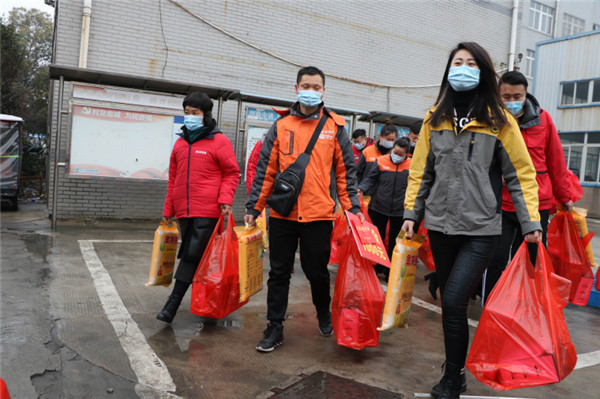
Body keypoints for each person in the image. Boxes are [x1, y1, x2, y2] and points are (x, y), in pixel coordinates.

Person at [401, 42, 542, 399]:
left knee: (452, 302)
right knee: (453, 304)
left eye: (469, 63)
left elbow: (521, 175)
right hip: (441, 226)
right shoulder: (435, 118)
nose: (462, 68)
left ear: (482, 72)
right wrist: (410, 214)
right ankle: (456, 373)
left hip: (481, 229)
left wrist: (531, 224)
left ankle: (452, 377)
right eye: (456, 62)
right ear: (449, 70)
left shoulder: (500, 121)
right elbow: (421, 172)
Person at [245, 66, 364, 353]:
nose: (310, 91)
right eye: (305, 85)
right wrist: (254, 206)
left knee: (317, 271)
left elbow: (345, 173)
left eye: (316, 86)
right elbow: (266, 170)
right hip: (283, 213)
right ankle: (274, 326)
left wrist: (353, 211)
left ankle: (323, 309)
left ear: (324, 91)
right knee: (279, 273)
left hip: (319, 215)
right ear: (295, 88)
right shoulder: (281, 125)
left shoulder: (335, 127)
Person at [483, 71, 573, 301]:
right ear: (497, 94)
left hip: (536, 205)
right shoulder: (491, 121)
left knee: (532, 262)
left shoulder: (544, 120)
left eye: (517, 96)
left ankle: (526, 307)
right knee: (496, 259)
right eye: (506, 96)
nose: (511, 101)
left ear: (525, 94)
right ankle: (491, 307)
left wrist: (565, 195)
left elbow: (556, 159)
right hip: (500, 204)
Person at [157, 92, 240, 323]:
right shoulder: (181, 143)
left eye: (195, 113)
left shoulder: (218, 140)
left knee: (191, 256)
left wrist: (225, 199)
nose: (190, 117)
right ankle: (209, 306)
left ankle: (172, 305)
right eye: (186, 112)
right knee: (204, 259)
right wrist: (168, 212)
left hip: (209, 211)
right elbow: (173, 180)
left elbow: (232, 172)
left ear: (206, 115)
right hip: (184, 212)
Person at [358, 137, 411, 277]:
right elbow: (371, 178)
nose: (397, 156)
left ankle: (390, 271)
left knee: (395, 241)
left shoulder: (411, 165)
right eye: (395, 152)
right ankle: (376, 267)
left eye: (401, 154)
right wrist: (361, 188)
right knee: (378, 240)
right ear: (392, 149)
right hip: (379, 207)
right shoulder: (381, 161)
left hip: (400, 210)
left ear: (407, 154)